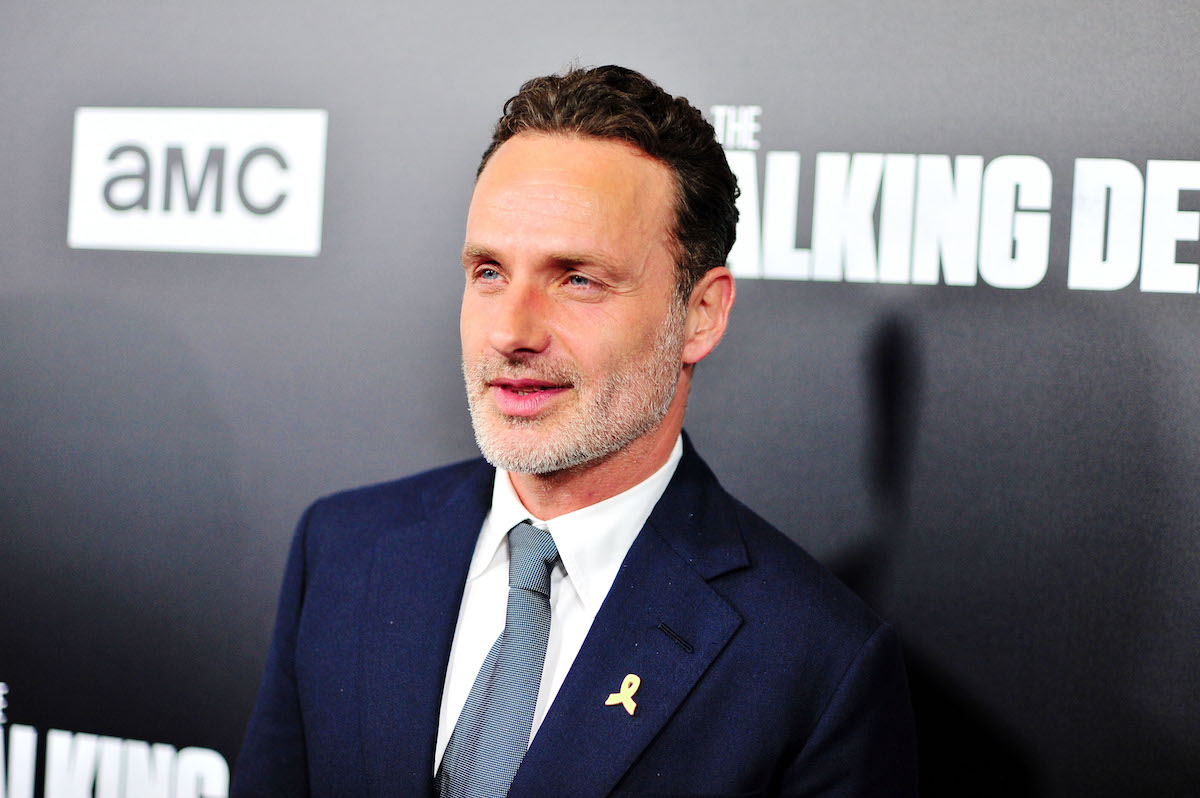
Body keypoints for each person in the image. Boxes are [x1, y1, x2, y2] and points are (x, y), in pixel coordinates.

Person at [233, 65, 917, 797]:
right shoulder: (341, 553)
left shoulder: (817, 663)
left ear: (702, 313)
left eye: (577, 278)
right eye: (489, 271)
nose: (510, 332)